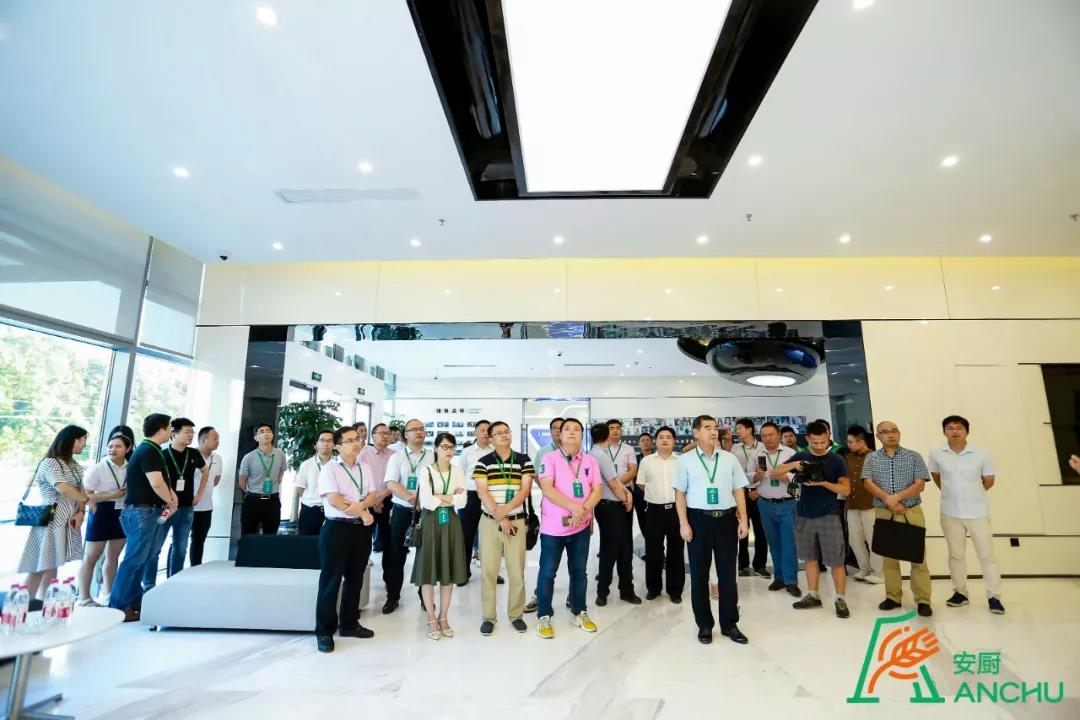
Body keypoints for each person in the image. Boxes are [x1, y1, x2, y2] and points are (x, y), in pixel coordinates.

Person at [675, 415, 749, 645]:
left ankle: (730, 624)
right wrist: (684, 523)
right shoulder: (685, 460)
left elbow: (739, 490)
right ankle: (704, 625)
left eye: (715, 427)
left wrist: (744, 520)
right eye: (707, 427)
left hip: (726, 520)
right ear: (696, 433)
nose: (713, 431)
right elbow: (680, 494)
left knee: (728, 575)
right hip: (698, 520)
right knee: (699, 576)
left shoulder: (729, 459)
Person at [772, 421, 852, 618]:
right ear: (807, 439)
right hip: (804, 514)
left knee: (837, 561)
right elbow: (775, 472)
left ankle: (840, 599)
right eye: (815, 442)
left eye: (823, 442)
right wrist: (795, 465)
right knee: (809, 558)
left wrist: (823, 483)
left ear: (828, 437)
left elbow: (846, 489)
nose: (819, 446)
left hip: (829, 515)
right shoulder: (802, 457)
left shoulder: (836, 460)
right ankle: (813, 595)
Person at [535, 418, 602, 639]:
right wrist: (574, 508)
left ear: (582, 435)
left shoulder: (590, 461)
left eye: (577, 429)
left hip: (580, 526)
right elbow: (547, 489)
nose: (572, 432)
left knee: (579, 572)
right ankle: (544, 615)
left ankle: (579, 611)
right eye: (567, 429)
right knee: (547, 572)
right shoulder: (549, 459)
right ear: (560, 435)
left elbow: (597, 490)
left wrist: (583, 511)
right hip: (553, 528)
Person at [929, 415, 1004, 615]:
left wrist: (972, 494)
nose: (954, 431)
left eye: (959, 428)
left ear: (966, 431)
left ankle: (994, 596)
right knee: (956, 555)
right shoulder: (937, 453)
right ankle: (960, 592)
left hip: (977, 512)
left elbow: (989, 480)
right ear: (944, 431)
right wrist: (952, 494)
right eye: (950, 427)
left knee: (986, 556)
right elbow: (936, 477)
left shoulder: (981, 453)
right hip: (950, 512)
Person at [314, 426, 379, 653]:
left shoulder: (365, 467)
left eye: (358, 439)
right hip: (336, 528)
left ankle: (349, 624)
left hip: (360, 529)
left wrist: (360, 507)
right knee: (331, 580)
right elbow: (334, 499)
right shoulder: (329, 469)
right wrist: (362, 510)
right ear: (338, 446)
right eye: (350, 440)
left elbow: (373, 495)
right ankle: (324, 631)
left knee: (355, 578)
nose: (356, 443)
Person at [862, 420, 933, 617]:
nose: (891, 434)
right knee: (889, 557)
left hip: (911, 510)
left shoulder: (913, 456)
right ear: (878, 437)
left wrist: (898, 498)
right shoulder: (871, 458)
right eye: (885, 432)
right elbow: (868, 483)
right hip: (884, 511)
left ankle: (923, 600)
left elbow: (920, 484)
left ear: (899, 433)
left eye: (894, 431)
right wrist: (888, 500)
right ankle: (893, 597)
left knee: (918, 557)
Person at [109, 414, 177, 622]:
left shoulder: (151, 450)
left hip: (147, 511)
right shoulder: (148, 451)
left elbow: (159, 482)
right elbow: (156, 482)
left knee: (141, 558)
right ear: (161, 430)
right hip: (141, 512)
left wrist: (170, 496)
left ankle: (134, 600)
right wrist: (171, 501)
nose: (171, 432)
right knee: (134, 559)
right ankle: (118, 606)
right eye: (170, 428)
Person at [472, 420, 534, 635]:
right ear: (491, 438)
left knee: (517, 571)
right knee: (489, 572)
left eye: (506, 431)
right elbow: (482, 492)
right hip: (490, 522)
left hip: (516, 521)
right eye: (498, 433)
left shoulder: (524, 460)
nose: (504, 435)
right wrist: (500, 518)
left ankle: (516, 615)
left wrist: (505, 513)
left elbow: (525, 490)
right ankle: (488, 617)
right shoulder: (483, 462)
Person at [18, 425, 89, 599]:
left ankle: (44, 605)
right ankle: (21, 606)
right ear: (72, 439)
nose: (84, 444)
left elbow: (81, 491)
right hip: (50, 520)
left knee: (52, 566)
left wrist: (81, 511)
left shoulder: (75, 466)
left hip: (65, 521)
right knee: (39, 566)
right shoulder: (50, 463)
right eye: (83, 439)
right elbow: (63, 488)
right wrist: (85, 499)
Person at [413, 432, 468, 640]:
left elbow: (463, 501)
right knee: (428, 572)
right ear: (436, 448)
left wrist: (441, 497)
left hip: (451, 521)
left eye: (452, 447)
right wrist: (451, 497)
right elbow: (427, 501)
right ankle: (430, 617)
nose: (448, 450)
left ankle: (443, 617)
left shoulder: (457, 470)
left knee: (448, 571)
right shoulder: (426, 470)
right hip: (430, 522)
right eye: (444, 446)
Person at [143, 418, 206, 589]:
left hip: (186, 508)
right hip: (164, 508)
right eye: (187, 432)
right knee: (155, 549)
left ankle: (174, 583)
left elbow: (205, 471)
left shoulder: (193, 454)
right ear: (174, 434)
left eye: (192, 432)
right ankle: (149, 585)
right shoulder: (162, 454)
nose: (191, 435)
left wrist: (199, 494)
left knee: (180, 548)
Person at [382, 418, 430, 614]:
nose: (419, 432)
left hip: (426, 512)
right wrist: (411, 499)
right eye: (414, 429)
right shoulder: (397, 457)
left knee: (425, 556)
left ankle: (425, 597)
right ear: (405, 435)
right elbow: (391, 483)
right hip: (402, 511)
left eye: (421, 428)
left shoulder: (433, 456)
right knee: (396, 555)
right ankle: (393, 597)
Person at [590, 422, 641, 606]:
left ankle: (623, 590)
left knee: (622, 548)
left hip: (609, 506)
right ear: (607, 435)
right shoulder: (601, 455)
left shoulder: (593, 453)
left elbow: (616, 481)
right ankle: (604, 592)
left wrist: (626, 494)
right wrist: (626, 499)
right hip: (611, 507)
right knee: (612, 550)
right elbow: (613, 483)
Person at [78, 434, 129, 605]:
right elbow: (86, 496)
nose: (113, 449)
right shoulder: (98, 468)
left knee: (113, 556)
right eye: (110, 446)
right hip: (101, 512)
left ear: (127, 449)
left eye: (118, 446)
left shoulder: (131, 468)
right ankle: (84, 597)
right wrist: (112, 495)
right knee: (91, 556)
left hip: (121, 513)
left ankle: (108, 594)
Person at [750, 422, 800, 597]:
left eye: (771, 435)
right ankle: (779, 577)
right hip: (765, 504)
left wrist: (785, 477)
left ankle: (791, 580)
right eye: (764, 436)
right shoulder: (757, 454)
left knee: (789, 543)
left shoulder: (790, 454)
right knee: (773, 542)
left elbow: (799, 477)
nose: (767, 439)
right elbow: (748, 477)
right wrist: (756, 475)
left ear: (779, 435)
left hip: (787, 503)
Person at [636, 426, 683, 602]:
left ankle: (675, 590)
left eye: (668, 437)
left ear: (674, 441)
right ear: (655, 441)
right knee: (653, 551)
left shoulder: (681, 461)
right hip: (654, 511)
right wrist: (655, 494)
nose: (664, 440)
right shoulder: (646, 461)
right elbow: (640, 483)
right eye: (661, 437)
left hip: (676, 510)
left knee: (676, 551)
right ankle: (653, 588)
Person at [524, 417, 563, 614]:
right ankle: (540, 596)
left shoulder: (578, 453)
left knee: (576, 561)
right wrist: (551, 492)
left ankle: (574, 598)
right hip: (551, 509)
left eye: (561, 428)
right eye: (554, 428)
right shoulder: (544, 452)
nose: (558, 431)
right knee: (548, 559)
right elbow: (537, 477)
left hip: (574, 512)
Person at [845, 426, 883, 585]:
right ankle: (864, 569)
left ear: (861, 442)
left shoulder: (875, 457)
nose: (848, 444)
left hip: (870, 505)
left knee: (873, 539)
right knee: (854, 540)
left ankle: (878, 573)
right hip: (851, 505)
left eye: (851, 442)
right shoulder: (848, 458)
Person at [732, 418, 769, 579]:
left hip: (760, 492)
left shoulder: (762, 447)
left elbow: (768, 472)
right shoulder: (735, 448)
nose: (737, 431)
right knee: (742, 528)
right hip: (741, 492)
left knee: (761, 530)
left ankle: (760, 565)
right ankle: (743, 564)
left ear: (749, 430)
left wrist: (758, 490)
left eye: (740, 428)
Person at [458, 419, 493, 582]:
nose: (486, 433)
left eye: (488, 430)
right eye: (482, 430)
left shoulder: (497, 450)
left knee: (491, 537)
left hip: (492, 497)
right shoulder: (467, 452)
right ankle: (463, 572)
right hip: (471, 497)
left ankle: (491, 573)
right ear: (475, 433)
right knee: (466, 535)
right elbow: (460, 474)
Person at [238, 423, 288, 536]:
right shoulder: (249, 457)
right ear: (256, 438)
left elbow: (281, 474)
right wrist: (254, 492)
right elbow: (242, 482)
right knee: (248, 535)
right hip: (253, 501)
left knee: (270, 536)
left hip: (272, 500)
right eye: (262, 431)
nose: (266, 433)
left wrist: (271, 488)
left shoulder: (280, 455)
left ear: (272, 435)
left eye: (268, 431)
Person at [359, 422, 395, 562]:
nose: (385, 436)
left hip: (389, 500)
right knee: (364, 538)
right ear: (373, 436)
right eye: (382, 433)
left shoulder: (395, 456)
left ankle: (390, 574)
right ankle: (363, 566)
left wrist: (382, 496)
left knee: (390, 540)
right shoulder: (363, 455)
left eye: (387, 433)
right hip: (368, 500)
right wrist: (374, 499)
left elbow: (399, 480)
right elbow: (359, 479)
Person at [189, 426, 222, 567]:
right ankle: (175, 573)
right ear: (203, 440)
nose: (218, 442)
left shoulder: (217, 458)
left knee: (198, 541)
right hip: (188, 506)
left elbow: (216, 480)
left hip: (206, 507)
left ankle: (195, 569)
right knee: (179, 542)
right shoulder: (190, 455)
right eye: (215, 439)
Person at [293, 430, 335, 536]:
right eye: (322, 440)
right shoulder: (306, 465)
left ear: (334, 445)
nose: (326, 444)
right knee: (307, 543)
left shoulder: (338, 464)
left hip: (333, 510)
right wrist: (313, 498)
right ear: (316, 445)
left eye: (330, 440)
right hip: (310, 511)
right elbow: (300, 489)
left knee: (330, 543)